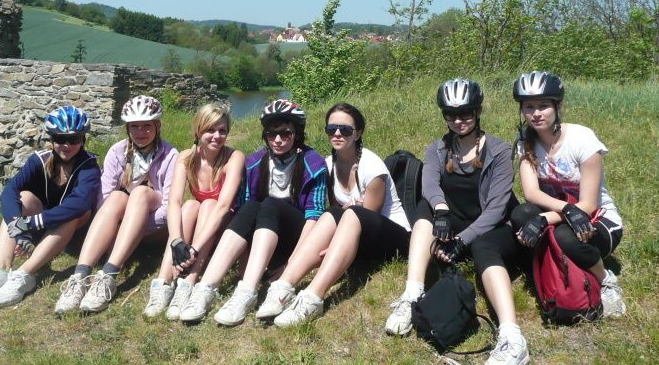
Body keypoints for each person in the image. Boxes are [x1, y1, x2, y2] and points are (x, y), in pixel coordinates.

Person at [385, 79, 529, 365]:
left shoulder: (499, 151)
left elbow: (496, 209)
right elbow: (429, 184)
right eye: (451, 114)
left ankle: (512, 336)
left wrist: (461, 241)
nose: (458, 120)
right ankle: (412, 293)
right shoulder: (438, 149)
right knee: (426, 209)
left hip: (489, 227)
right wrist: (441, 212)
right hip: (452, 223)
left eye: (465, 113)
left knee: (484, 248)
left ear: (477, 112)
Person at [258, 102, 411, 326]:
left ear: (358, 133)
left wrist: (334, 245)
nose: (337, 134)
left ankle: (313, 298)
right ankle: (283, 286)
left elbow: (368, 218)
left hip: (393, 240)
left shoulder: (372, 167)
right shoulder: (329, 164)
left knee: (351, 214)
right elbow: (336, 213)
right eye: (331, 129)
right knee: (331, 213)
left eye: (345, 129)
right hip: (358, 235)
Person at [178, 99, 328, 325]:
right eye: (271, 134)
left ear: (297, 134)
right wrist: (243, 262)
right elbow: (245, 214)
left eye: (285, 133)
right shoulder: (254, 162)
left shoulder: (314, 164)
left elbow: (313, 218)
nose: (278, 140)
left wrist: (292, 263)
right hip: (264, 235)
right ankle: (206, 287)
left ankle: (247, 292)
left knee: (270, 204)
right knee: (250, 206)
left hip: (296, 236)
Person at [510, 71, 626, 318]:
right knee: (521, 213)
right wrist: (560, 210)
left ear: (557, 106)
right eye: (529, 107)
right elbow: (531, 193)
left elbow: (589, 204)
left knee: (565, 235)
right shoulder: (526, 142)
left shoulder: (582, 138)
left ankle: (606, 281)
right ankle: (548, 266)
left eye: (543, 105)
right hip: (563, 212)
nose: (536, 113)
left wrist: (543, 219)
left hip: (597, 216)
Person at [54, 95, 178, 314]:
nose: (141, 132)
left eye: (147, 126)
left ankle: (109, 274)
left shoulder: (170, 155)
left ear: (157, 126)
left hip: (153, 224)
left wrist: (134, 224)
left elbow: (169, 208)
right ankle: (80, 277)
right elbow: (103, 198)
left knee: (140, 193)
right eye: (135, 126)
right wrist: (121, 224)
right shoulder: (117, 151)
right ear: (127, 128)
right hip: (121, 220)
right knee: (116, 197)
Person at [0, 105, 100, 307]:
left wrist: (31, 223)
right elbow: (9, 192)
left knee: (76, 213)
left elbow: (79, 203)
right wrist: (19, 229)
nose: (67, 145)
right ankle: (0, 270)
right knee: (24, 197)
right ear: (52, 140)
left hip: (71, 230)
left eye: (74, 139)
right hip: (39, 223)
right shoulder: (40, 160)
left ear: (83, 140)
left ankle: (25, 274)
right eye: (60, 139)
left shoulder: (89, 166)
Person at [142, 103, 245, 320]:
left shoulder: (234, 157)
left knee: (209, 204)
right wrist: (177, 241)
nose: (217, 136)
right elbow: (174, 202)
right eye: (210, 130)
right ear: (198, 131)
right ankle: (163, 281)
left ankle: (188, 281)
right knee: (190, 206)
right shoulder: (186, 157)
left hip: (224, 223)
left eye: (222, 130)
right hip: (200, 223)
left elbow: (223, 206)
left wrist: (193, 249)